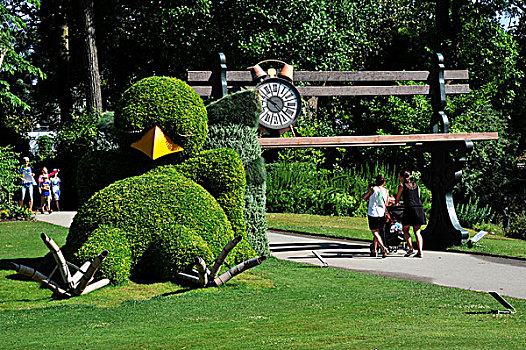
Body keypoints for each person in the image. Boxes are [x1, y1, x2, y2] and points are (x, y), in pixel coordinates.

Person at [395, 170, 426, 258]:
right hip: (419, 208)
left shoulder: (402, 186)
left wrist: (397, 203)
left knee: (405, 230)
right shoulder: (416, 185)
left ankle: (411, 249)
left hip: (409, 209)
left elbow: (397, 199)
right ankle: (420, 251)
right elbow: (418, 197)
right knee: (417, 231)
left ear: (402, 177)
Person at [362, 174, 389, 258]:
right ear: (384, 182)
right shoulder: (386, 191)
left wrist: (368, 193)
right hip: (381, 213)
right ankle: (374, 249)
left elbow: (364, 197)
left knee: (374, 232)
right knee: (377, 231)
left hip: (373, 212)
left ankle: (383, 247)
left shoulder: (373, 189)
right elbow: (387, 203)